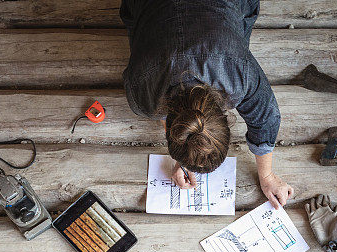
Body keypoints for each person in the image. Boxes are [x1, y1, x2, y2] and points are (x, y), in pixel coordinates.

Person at [120, 0, 294, 208]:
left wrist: (268, 177)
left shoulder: (238, 73)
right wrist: (182, 159)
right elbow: (264, 121)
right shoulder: (141, 91)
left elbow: (267, 119)